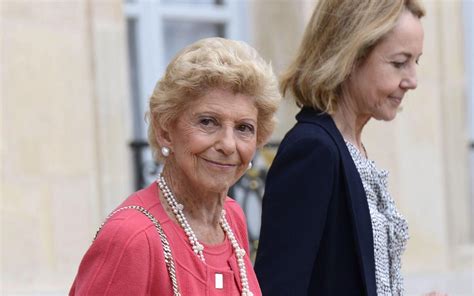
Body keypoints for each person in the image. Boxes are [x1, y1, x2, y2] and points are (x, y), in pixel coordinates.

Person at [70, 37, 281, 296]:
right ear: (165, 131)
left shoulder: (230, 217)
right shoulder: (132, 238)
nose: (228, 144)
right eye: (207, 122)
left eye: (243, 128)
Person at [254, 0, 431, 295]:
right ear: (348, 57)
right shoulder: (313, 149)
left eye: (417, 61)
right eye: (400, 62)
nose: (412, 80)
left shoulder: (350, 146)